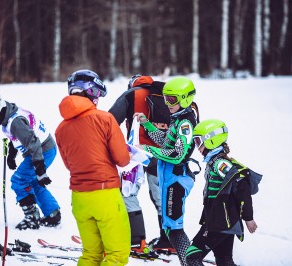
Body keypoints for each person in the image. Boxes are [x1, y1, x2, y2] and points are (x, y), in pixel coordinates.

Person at [55, 69, 131, 265]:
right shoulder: (104, 119)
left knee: (91, 254)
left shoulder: (61, 129)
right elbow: (122, 159)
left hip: (79, 198)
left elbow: (68, 164)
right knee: (117, 255)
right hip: (105, 195)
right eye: (97, 93)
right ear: (90, 93)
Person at [134, 76, 198, 265]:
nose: (167, 104)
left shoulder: (185, 123)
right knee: (170, 226)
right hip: (168, 177)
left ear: (185, 99)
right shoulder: (177, 118)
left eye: (171, 100)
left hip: (176, 178)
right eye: (165, 98)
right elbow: (165, 141)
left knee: (174, 227)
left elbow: (179, 155)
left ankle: (192, 262)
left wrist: (149, 150)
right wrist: (147, 124)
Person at [108, 74, 174, 253]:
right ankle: (169, 240)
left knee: (128, 194)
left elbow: (109, 121)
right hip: (162, 154)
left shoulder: (131, 94)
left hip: (136, 154)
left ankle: (137, 242)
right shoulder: (165, 94)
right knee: (161, 197)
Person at [0, 93, 61, 230]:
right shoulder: (11, 115)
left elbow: (33, 142)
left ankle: (32, 218)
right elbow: (18, 137)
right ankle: (52, 214)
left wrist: (40, 168)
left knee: (20, 180)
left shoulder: (15, 122)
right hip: (44, 149)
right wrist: (12, 154)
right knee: (33, 182)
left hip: (41, 151)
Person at [185, 119, 258, 266]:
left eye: (199, 141)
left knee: (192, 256)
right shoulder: (214, 161)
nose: (197, 147)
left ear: (211, 141)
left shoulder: (220, 163)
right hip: (223, 221)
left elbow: (242, 187)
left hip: (219, 222)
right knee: (224, 261)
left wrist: (248, 217)